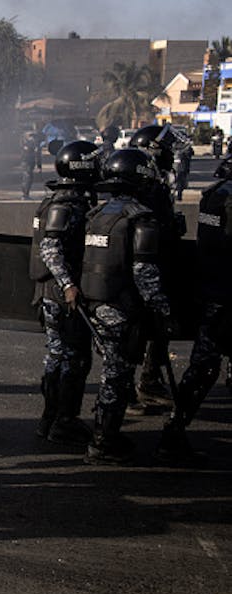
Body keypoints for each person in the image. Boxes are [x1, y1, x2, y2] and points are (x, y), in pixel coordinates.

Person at [80, 147, 176, 465]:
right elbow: (143, 271)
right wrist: (162, 308)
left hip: (95, 307)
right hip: (121, 310)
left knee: (112, 372)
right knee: (116, 376)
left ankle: (105, 434)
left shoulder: (98, 215)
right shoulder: (139, 218)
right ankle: (104, 440)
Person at [155, 153, 232, 464]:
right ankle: (173, 434)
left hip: (213, 290)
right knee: (204, 367)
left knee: (203, 366)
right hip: (226, 293)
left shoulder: (214, 194)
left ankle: (174, 429)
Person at [28, 140, 99, 446]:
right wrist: (69, 285)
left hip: (51, 292)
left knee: (58, 356)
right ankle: (63, 420)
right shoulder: (65, 205)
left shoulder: (55, 200)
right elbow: (50, 248)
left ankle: (51, 418)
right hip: (61, 296)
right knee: (74, 359)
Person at [125, 124, 188, 414]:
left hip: (155, 269)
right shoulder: (142, 190)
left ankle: (148, 381)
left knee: (157, 330)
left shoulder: (155, 185)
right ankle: (131, 388)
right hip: (139, 273)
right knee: (136, 332)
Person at [20, 131, 43, 199]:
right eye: (31, 136)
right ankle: (25, 195)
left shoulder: (36, 145)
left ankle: (26, 194)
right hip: (26, 163)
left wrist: (39, 166)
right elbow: (25, 154)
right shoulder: (25, 144)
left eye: (34, 136)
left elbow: (38, 156)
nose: (33, 138)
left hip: (31, 163)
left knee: (29, 178)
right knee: (27, 177)